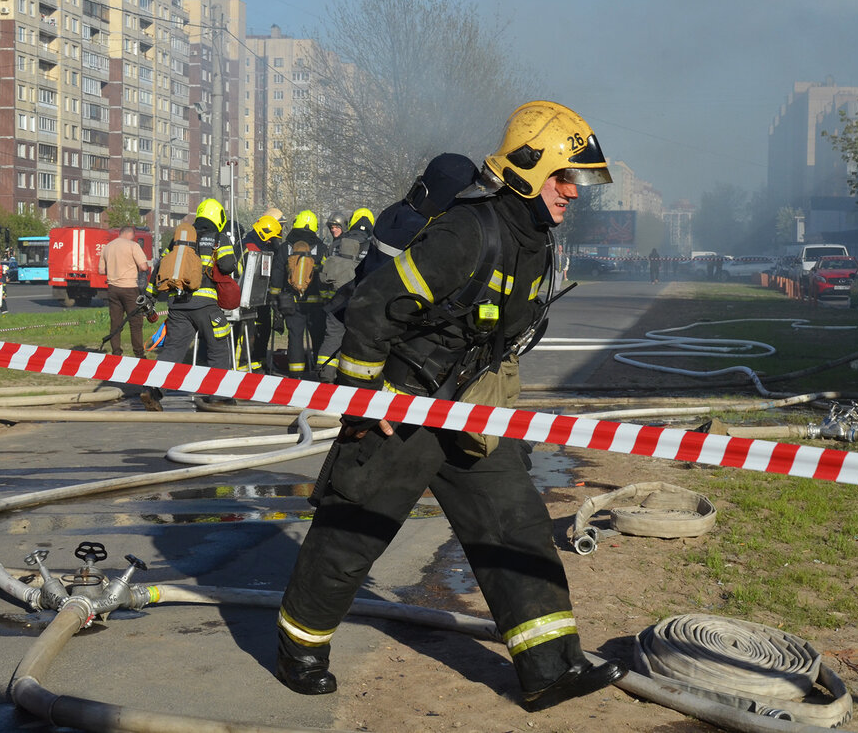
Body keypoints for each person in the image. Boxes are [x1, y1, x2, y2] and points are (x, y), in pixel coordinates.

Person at [273, 101, 628, 711]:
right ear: (527, 165)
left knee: (514, 526)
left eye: (577, 181)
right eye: (563, 177)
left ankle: (548, 667)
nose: (572, 192)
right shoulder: (470, 230)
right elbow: (373, 305)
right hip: (402, 406)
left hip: (466, 410)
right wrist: (364, 397)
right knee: (354, 530)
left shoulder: (533, 240)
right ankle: (298, 647)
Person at [140, 199, 237, 411]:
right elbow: (228, 265)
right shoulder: (218, 238)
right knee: (218, 348)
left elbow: (159, 271)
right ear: (219, 217)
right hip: (206, 306)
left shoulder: (179, 242)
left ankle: (152, 390)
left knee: (173, 350)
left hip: (178, 305)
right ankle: (219, 395)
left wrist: (149, 297)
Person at [313, 209, 372, 380]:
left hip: (337, 301)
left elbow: (323, 274)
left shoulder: (336, 245)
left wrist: (327, 298)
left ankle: (325, 374)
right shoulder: (372, 246)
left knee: (332, 337)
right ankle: (354, 379)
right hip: (363, 303)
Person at [269, 209, 327, 377]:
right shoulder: (321, 247)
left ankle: (295, 376)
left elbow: (277, 274)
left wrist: (275, 298)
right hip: (315, 302)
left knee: (295, 338)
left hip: (291, 302)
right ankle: (318, 373)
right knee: (318, 337)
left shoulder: (286, 247)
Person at [240, 213, 285, 372]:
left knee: (264, 329)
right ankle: (244, 364)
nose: (273, 242)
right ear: (265, 234)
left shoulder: (263, 247)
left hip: (260, 298)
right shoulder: (249, 248)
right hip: (245, 300)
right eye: (272, 238)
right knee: (248, 332)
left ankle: (259, 361)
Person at [98, 225, 150, 359]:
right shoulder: (133, 246)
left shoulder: (107, 247)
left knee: (116, 322)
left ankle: (116, 353)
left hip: (113, 288)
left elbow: (101, 271)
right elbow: (144, 267)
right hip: (129, 288)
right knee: (136, 322)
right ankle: (139, 354)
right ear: (130, 234)